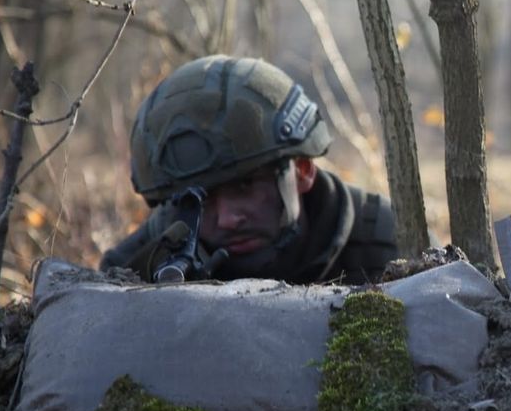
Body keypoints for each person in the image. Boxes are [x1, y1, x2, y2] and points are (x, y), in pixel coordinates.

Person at [100, 55, 399, 284]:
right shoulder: (135, 270)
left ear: (302, 170)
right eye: (201, 199)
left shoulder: (389, 243)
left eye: (245, 186)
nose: (228, 219)